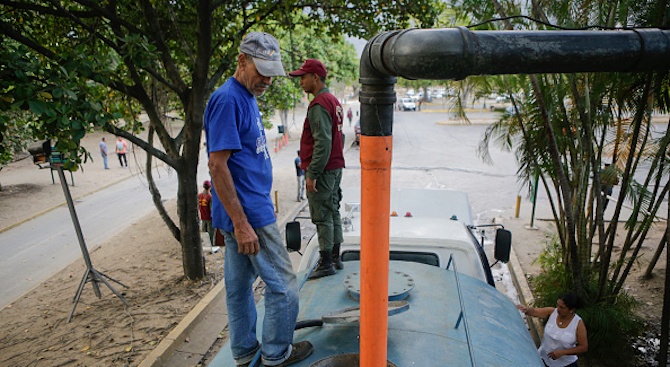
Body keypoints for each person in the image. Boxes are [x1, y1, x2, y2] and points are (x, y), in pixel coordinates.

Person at [204, 32, 312, 367]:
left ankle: (245, 351)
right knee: (284, 287)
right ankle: (276, 354)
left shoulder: (246, 96)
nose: (266, 79)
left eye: (271, 72)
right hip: (249, 214)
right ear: (241, 61)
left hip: (246, 210)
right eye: (261, 71)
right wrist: (241, 223)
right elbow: (216, 164)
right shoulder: (228, 100)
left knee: (238, 288)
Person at [289, 59, 345, 279]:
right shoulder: (333, 100)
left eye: (303, 77)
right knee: (333, 211)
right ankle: (335, 257)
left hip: (323, 169)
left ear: (315, 77)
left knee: (322, 216)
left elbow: (323, 141)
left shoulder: (319, 104)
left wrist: (312, 173)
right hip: (335, 166)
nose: (301, 81)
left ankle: (326, 263)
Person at [516, 293, 588, 367]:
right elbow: (535, 311)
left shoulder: (578, 324)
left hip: (566, 364)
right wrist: (526, 309)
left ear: (571, 310)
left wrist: (562, 352)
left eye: (562, 307)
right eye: (557, 305)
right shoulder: (552, 312)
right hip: (543, 359)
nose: (558, 309)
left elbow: (583, 347)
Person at [198, 180, 218, 253]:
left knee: (204, 232)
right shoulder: (210, 197)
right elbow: (211, 208)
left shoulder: (199, 196)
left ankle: (205, 246)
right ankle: (211, 248)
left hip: (203, 217)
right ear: (210, 187)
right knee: (211, 233)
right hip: (209, 217)